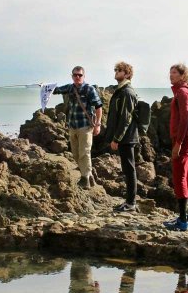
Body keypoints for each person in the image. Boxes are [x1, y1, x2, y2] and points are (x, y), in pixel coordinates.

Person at [52, 66, 103, 188]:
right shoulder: (70, 88)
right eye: (75, 75)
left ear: (84, 76)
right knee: (75, 154)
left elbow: (99, 107)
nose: (77, 77)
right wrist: (44, 87)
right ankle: (89, 176)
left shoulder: (89, 89)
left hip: (85, 126)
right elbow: (56, 90)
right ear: (72, 76)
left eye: (80, 75)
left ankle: (85, 179)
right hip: (73, 126)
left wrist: (98, 125)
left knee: (84, 152)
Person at [164, 63, 188, 231]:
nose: (171, 75)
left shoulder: (182, 92)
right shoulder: (185, 91)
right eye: (170, 72)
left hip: (185, 139)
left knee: (180, 177)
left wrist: (178, 143)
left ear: (183, 75)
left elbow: (184, 119)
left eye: (175, 73)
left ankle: (183, 220)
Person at [104, 61, 140, 212]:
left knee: (129, 169)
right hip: (124, 136)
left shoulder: (127, 92)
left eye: (119, 70)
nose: (116, 72)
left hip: (126, 137)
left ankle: (131, 203)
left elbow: (126, 118)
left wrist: (116, 138)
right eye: (116, 70)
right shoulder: (121, 90)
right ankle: (129, 201)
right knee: (127, 168)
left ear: (126, 74)